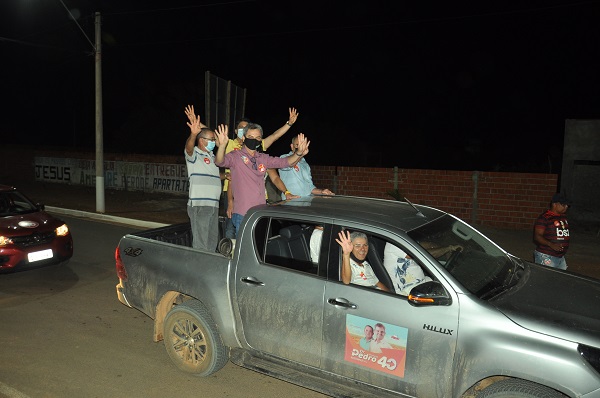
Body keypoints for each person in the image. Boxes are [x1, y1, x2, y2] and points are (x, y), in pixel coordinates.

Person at [214, 123, 309, 236]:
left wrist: (299, 153)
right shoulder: (235, 156)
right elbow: (219, 161)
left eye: (258, 138)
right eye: (251, 137)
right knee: (245, 250)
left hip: (260, 213)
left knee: (259, 248)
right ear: (243, 138)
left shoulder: (263, 158)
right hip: (243, 214)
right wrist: (222, 147)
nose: (254, 140)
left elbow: (285, 162)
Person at [183, 106, 222, 251]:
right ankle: (199, 271)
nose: (213, 142)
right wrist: (194, 134)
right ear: (201, 141)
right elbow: (188, 148)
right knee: (201, 244)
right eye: (210, 139)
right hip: (200, 205)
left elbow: (214, 176)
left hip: (214, 205)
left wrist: (226, 176)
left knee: (212, 242)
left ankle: (208, 269)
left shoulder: (212, 156)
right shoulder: (194, 155)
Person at [278, 135, 335, 199]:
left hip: (305, 203)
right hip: (290, 203)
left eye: (302, 145)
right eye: (297, 145)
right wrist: (299, 154)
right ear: (292, 146)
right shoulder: (283, 158)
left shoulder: (305, 164)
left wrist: (322, 192)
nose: (300, 148)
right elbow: (288, 165)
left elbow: (309, 187)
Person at [533, 193, 571, 270]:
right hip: (546, 255)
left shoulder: (563, 217)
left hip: (560, 256)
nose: (566, 207)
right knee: (545, 279)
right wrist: (551, 244)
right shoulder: (544, 218)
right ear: (554, 204)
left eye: (567, 205)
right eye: (563, 205)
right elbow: (537, 236)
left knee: (560, 279)